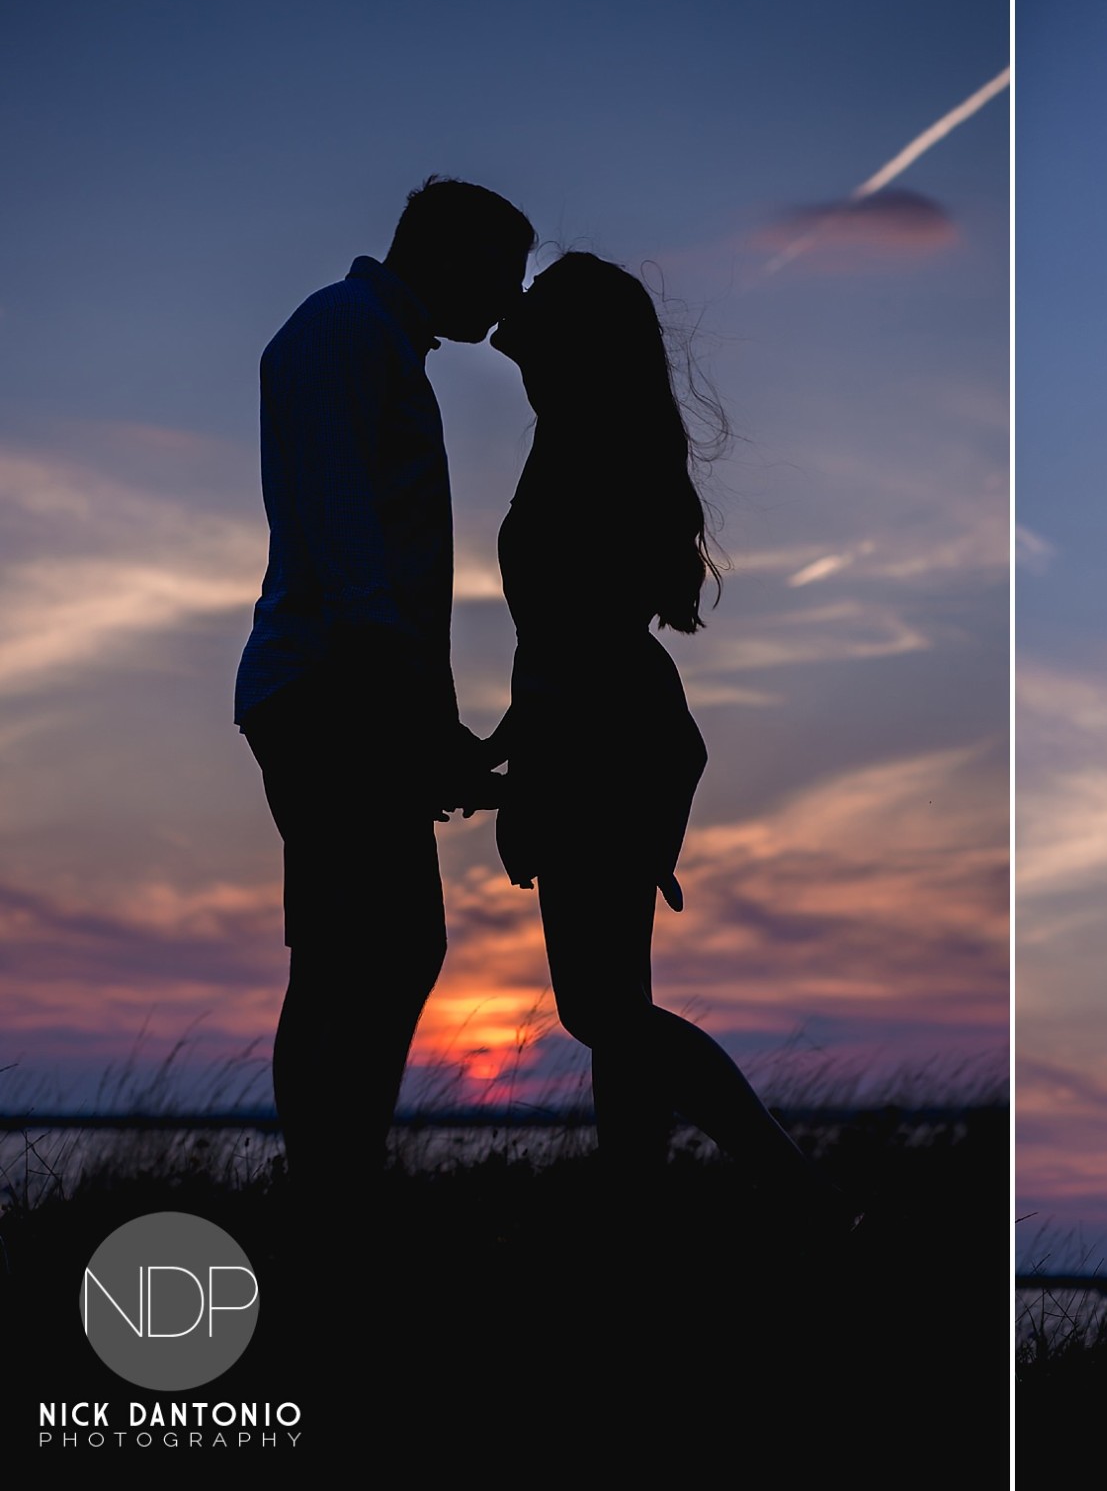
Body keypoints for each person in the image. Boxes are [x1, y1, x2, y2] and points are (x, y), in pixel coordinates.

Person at [483, 252, 843, 1224]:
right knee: (613, 1008)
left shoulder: (584, 441)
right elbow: (568, 632)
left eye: (540, 315)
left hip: (599, 732)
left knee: (599, 1010)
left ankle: (802, 1196)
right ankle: (635, 1219)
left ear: (574, 344)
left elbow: (574, 636)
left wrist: (526, 770)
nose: (516, 322)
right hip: (613, 722)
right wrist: (505, 745)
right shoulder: (587, 431)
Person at [236, 177, 533, 1211]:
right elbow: (345, 530)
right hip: (331, 687)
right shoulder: (344, 330)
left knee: (360, 947)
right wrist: (409, 715)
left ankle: (330, 1185)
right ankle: (331, 1192)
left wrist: (426, 726)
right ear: (452, 256)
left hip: (347, 688)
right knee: (369, 946)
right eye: (504, 272)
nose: (511, 300)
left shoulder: (373, 341)